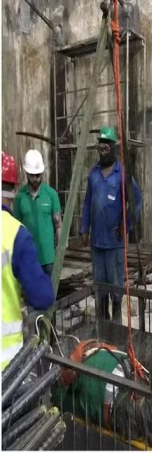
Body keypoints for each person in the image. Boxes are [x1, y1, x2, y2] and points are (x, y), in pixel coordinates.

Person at [79, 126, 142, 324]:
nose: (103, 150)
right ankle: (102, 327)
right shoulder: (94, 174)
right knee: (100, 288)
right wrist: (83, 228)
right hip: (97, 244)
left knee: (116, 288)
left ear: (113, 148)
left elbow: (137, 201)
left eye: (106, 147)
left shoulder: (122, 174)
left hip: (115, 245)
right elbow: (88, 202)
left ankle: (116, 328)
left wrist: (127, 225)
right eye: (100, 147)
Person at [2, 151, 55, 370]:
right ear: (15, 188)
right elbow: (43, 296)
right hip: (6, 367)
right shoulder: (14, 233)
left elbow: (58, 221)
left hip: (43, 257)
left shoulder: (50, 195)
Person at [13, 149, 63, 276]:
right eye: (32, 175)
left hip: (48, 259)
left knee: (49, 294)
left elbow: (58, 224)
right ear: (26, 173)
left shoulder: (51, 195)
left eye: (38, 175)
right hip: (28, 257)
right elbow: (15, 228)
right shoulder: (20, 197)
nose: (35, 179)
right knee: (30, 295)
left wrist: (61, 250)